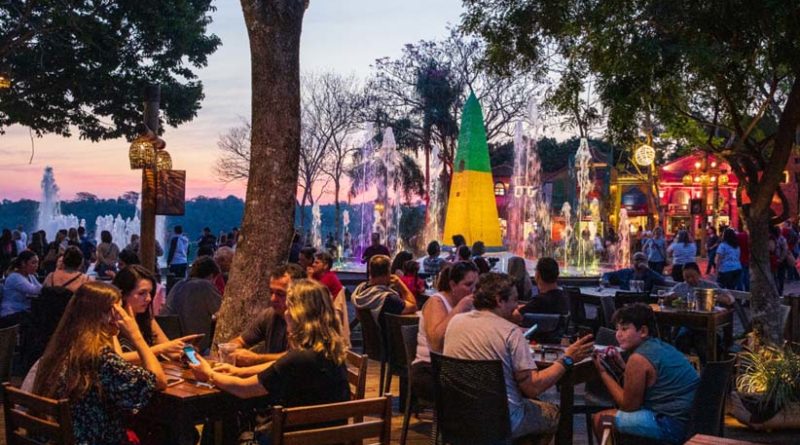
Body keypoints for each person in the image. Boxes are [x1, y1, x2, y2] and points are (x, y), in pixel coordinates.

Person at [189, 279, 349, 444]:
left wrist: (208, 373)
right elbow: (277, 368)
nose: (286, 313)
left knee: (227, 416)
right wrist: (239, 371)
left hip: (289, 440)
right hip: (329, 439)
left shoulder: (298, 359)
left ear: (298, 314)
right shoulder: (329, 352)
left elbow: (243, 389)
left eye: (289, 307)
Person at [444, 273, 594, 441]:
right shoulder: (510, 332)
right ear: (499, 300)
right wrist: (567, 359)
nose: (516, 306)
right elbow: (533, 387)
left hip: (457, 415)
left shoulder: (455, 322)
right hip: (502, 420)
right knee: (553, 413)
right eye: (514, 300)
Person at [32, 282, 167, 445]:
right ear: (107, 315)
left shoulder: (64, 347)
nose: (122, 317)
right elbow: (159, 381)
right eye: (118, 310)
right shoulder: (99, 357)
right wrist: (136, 336)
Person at [592, 304, 699, 445]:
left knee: (601, 419)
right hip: (692, 420)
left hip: (672, 425)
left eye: (624, 329)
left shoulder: (638, 358)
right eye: (617, 329)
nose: (618, 334)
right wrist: (623, 367)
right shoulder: (660, 346)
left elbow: (628, 406)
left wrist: (603, 373)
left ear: (643, 331)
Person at [411, 261, 478, 401]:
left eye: (476, 286)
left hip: (456, 367)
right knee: (478, 391)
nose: (473, 290)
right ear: (453, 285)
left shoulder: (471, 305)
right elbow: (435, 342)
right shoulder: (437, 302)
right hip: (429, 369)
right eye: (468, 285)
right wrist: (459, 308)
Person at [112, 265, 200, 361]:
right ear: (123, 294)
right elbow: (118, 358)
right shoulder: (110, 320)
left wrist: (184, 352)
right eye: (142, 293)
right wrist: (161, 349)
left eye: (150, 293)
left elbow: (169, 351)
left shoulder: (146, 318)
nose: (149, 298)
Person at [227, 264, 306, 366]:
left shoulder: (310, 321)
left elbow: (298, 357)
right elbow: (241, 341)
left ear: (299, 293)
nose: (273, 299)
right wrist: (231, 349)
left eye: (280, 294)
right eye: (271, 292)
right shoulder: (269, 314)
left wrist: (256, 359)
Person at [667, 262, 734, 364]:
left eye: (692, 276)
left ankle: (707, 368)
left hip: (706, 327)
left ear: (699, 274)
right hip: (688, 325)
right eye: (686, 277)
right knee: (681, 340)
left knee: (702, 342)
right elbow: (667, 297)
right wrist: (669, 298)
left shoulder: (709, 286)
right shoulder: (681, 287)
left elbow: (730, 299)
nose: (690, 280)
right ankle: (684, 366)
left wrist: (714, 297)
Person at [160, 256, 222, 352]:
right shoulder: (205, 285)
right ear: (211, 276)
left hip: (170, 339)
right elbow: (222, 311)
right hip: (193, 344)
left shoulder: (179, 284)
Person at [352, 254, 417, 329]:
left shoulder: (360, 290)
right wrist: (400, 284)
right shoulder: (387, 299)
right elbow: (413, 306)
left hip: (371, 335)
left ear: (370, 271)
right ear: (388, 272)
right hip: (388, 335)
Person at [308, 251, 350, 347]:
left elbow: (312, 295)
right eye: (314, 262)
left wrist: (309, 277)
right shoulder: (318, 276)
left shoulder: (329, 278)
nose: (313, 265)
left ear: (325, 265)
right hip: (323, 314)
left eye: (317, 262)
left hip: (330, 319)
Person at [1, 250, 42, 326]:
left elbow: (40, 288)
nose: (36, 266)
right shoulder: (14, 277)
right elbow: (33, 290)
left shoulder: (30, 276)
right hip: (11, 313)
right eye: (33, 263)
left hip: (23, 311)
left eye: (37, 263)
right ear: (23, 263)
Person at [602, 252, 667, 293]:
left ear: (646, 262)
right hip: (625, 299)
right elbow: (607, 274)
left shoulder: (650, 274)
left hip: (643, 301)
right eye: (637, 259)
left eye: (642, 259)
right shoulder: (626, 272)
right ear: (633, 262)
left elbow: (662, 281)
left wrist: (647, 269)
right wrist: (605, 280)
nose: (639, 261)